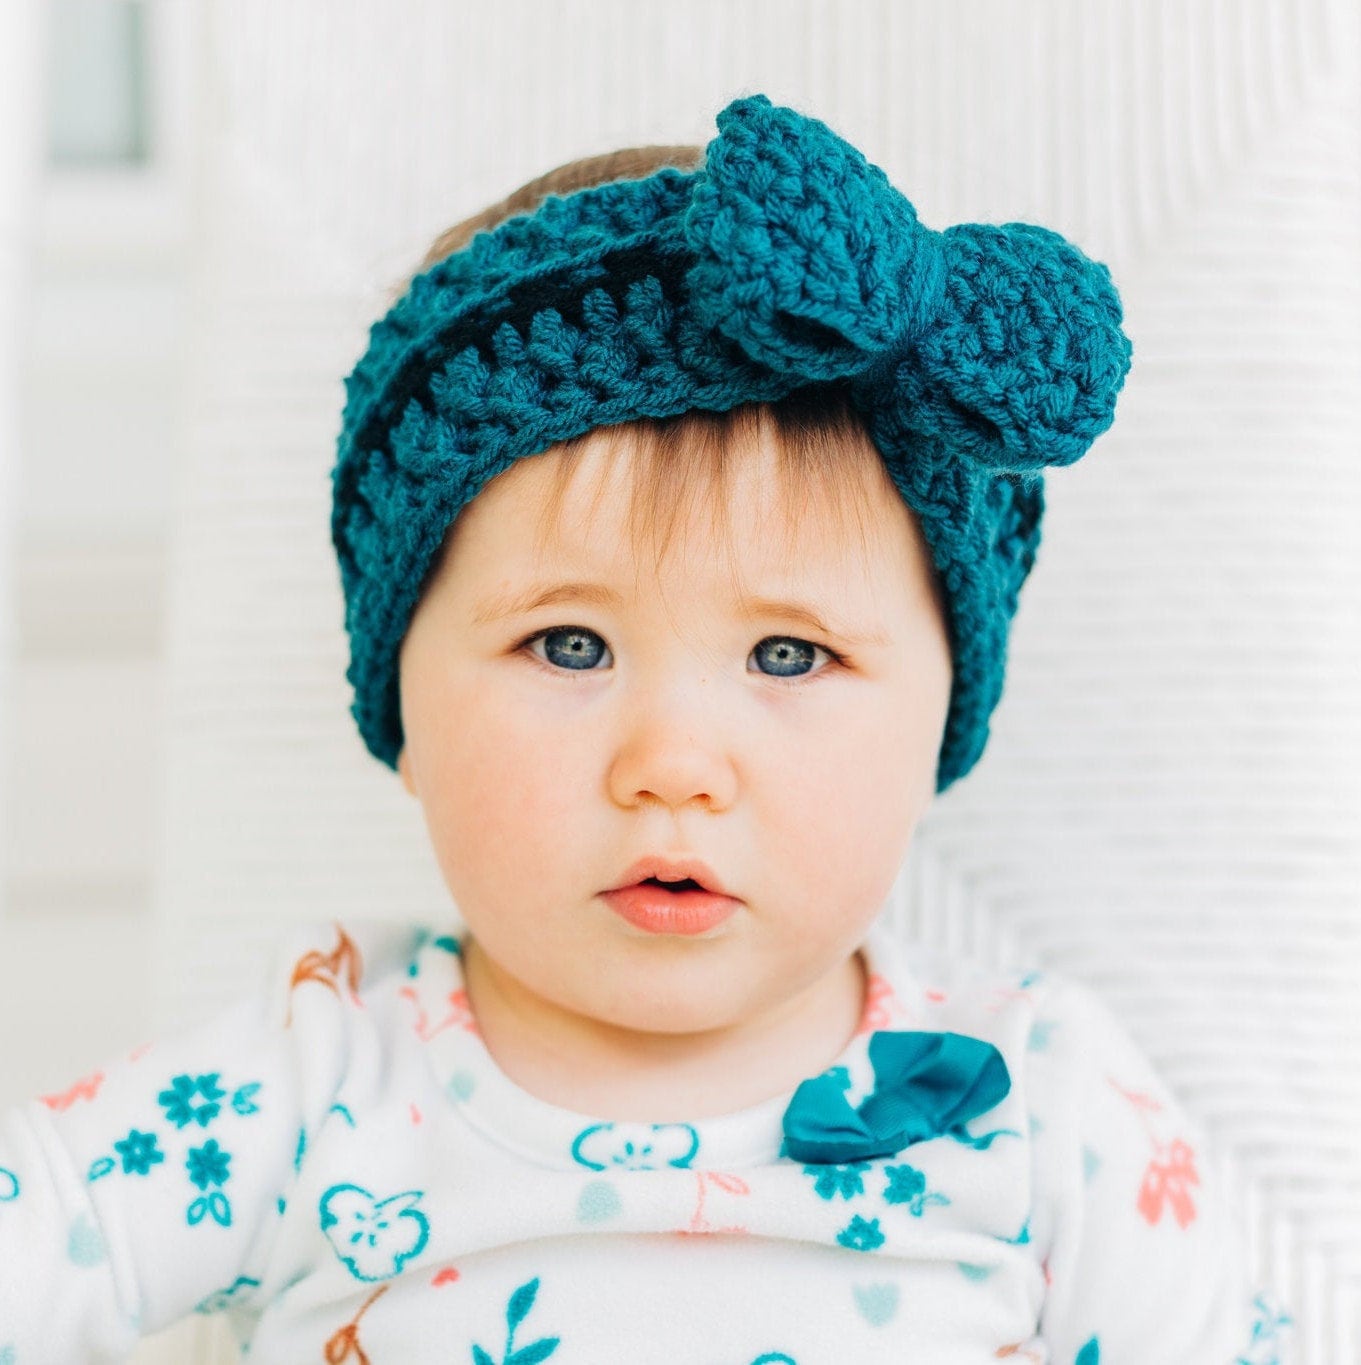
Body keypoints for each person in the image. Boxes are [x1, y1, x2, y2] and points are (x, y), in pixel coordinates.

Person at [0, 92, 1293, 1364]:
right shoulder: (304, 1087)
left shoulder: (1039, 1100)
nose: (671, 763)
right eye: (569, 645)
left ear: (939, 716)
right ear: (404, 695)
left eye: (788, 654)